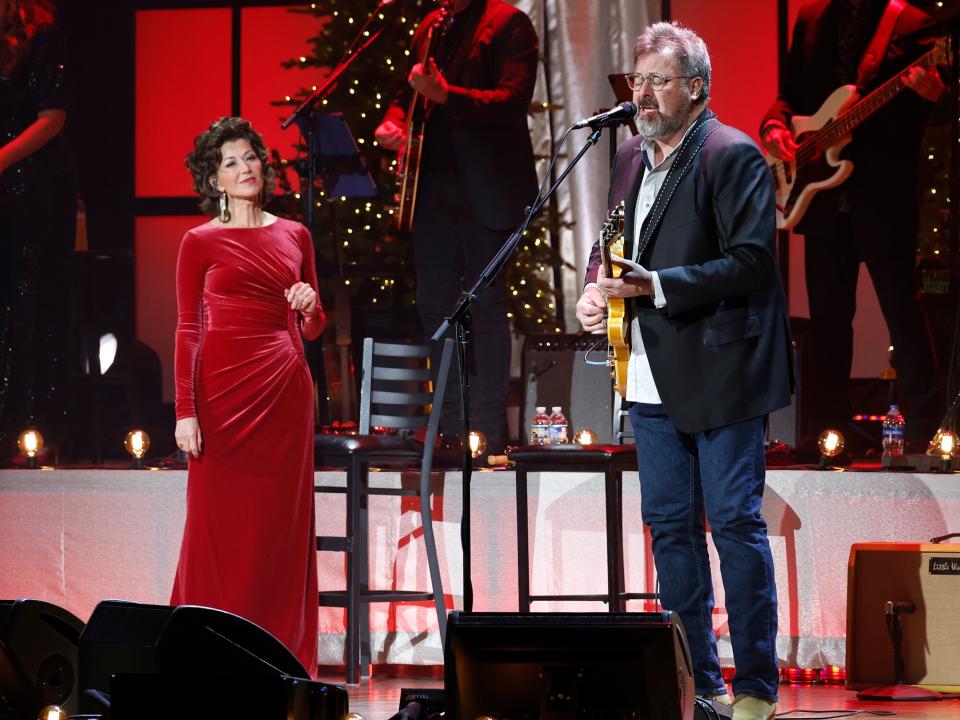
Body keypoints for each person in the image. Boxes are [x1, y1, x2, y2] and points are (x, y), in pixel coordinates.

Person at [576, 22, 792, 720]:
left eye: (658, 81)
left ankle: (756, 686)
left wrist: (655, 285)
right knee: (670, 530)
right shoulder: (632, 155)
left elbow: (755, 260)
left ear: (695, 87)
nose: (641, 93)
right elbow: (614, 239)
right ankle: (701, 685)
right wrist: (593, 285)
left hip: (724, 371)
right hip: (651, 373)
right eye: (637, 80)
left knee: (733, 524)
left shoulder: (732, 154)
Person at [171, 117, 325, 676]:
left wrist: (309, 306)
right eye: (231, 162)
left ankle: (280, 663)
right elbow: (188, 328)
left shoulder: (295, 234)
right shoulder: (199, 242)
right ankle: (207, 657)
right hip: (219, 395)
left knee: (279, 535)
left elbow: (314, 326)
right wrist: (185, 409)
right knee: (217, 530)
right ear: (214, 179)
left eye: (251, 156)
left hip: (284, 391)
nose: (245, 167)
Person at [760, 0, 943, 458]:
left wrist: (932, 97)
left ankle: (927, 430)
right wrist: (775, 126)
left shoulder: (910, 23)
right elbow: (791, 96)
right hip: (821, 198)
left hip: (882, 195)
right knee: (828, 323)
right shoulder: (810, 17)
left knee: (903, 315)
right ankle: (827, 432)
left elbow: (929, 114)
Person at [374, 0, 539, 455]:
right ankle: (447, 429)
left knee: (486, 306)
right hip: (432, 187)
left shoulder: (510, 24)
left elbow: (513, 100)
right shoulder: (431, 25)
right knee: (433, 306)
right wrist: (393, 120)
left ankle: (488, 430)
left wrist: (448, 96)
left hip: (488, 188)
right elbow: (405, 92)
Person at [0, 0, 77, 462]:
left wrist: (2, 160)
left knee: (32, 304)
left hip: (35, 187)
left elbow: (54, 116)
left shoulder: (43, 37)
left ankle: (33, 430)